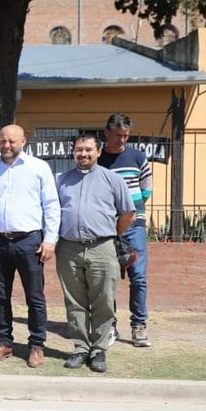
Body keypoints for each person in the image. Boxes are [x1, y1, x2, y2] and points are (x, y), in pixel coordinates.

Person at [0, 125, 61, 368]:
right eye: (2, 141)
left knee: (35, 296)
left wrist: (50, 239)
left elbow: (52, 206)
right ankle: (4, 342)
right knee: (0, 297)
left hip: (29, 241)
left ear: (23, 141)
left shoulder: (38, 168)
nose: (7, 146)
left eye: (12, 141)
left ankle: (36, 345)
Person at [56, 133, 135, 373]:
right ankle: (80, 347)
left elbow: (128, 214)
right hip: (68, 247)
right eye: (79, 150)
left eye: (89, 149)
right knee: (74, 301)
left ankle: (99, 349)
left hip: (102, 247)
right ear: (73, 152)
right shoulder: (61, 180)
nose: (83, 154)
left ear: (98, 152)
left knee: (102, 300)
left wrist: (109, 234)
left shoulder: (113, 180)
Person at [98, 113, 153, 348]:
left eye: (126, 136)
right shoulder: (97, 159)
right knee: (106, 280)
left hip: (134, 226)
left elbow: (146, 191)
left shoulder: (138, 157)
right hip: (105, 228)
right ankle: (109, 325)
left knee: (138, 278)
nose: (122, 140)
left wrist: (131, 214)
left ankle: (139, 326)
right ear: (107, 133)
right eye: (118, 135)